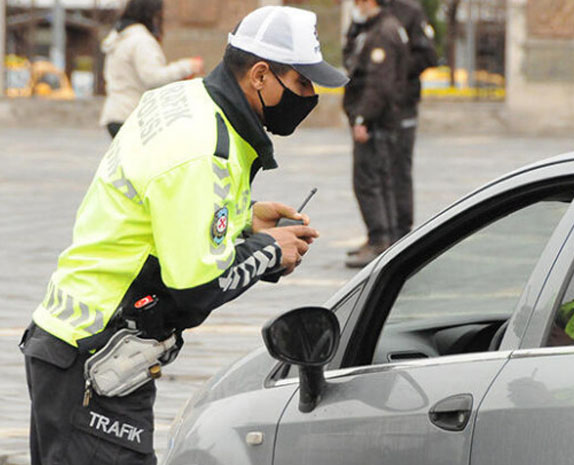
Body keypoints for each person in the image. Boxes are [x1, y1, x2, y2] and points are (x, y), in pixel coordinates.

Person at [20, 6, 348, 465]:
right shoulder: (201, 150)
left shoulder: (186, 101)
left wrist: (245, 221)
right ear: (259, 75)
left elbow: (165, 213)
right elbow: (195, 287)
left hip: (79, 346)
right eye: (301, 83)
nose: (310, 96)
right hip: (97, 357)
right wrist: (269, 253)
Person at [344, 0, 437, 256]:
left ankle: (398, 236)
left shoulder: (408, 13)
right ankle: (383, 236)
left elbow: (427, 55)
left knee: (395, 171)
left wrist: (392, 70)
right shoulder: (368, 19)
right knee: (377, 173)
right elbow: (352, 50)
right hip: (374, 103)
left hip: (397, 105)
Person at [342, 0, 410, 268]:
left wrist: (363, 118)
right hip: (383, 120)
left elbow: (378, 84)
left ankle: (380, 240)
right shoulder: (382, 27)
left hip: (377, 123)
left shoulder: (383, 32)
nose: (356, 6)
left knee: (369, 182)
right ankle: (384, 238)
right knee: (382, 179)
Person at [99, 0, 203, 138]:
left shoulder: (119, 38)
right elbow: (153, 78)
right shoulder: (141, 41)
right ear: (150, 14)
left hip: (115, 113)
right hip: (131, 115)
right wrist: (187, 66)